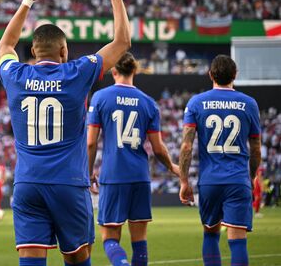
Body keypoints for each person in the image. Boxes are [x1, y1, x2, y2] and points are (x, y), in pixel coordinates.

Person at [0, 0, 131, 266]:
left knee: (31, 259)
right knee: (78, 258)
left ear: (32, 52)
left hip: (28, 183)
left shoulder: (15, 76)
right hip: (68, 183)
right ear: (64, 51)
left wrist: (28, 0)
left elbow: (6, 44)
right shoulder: (76, 73)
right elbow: (122, 42)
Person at [86, 52, 180, 266]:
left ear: (114, 71)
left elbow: (91, 143)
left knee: (110, 238)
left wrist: (88, 171)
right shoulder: (148, 103)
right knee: (140, 242)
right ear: (134, 71)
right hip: (140, 175)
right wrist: (173, 167)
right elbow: (157, 148)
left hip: (113, 175)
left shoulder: (101, 97)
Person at [179, 55, 262, 266]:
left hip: (209, 181)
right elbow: (256, 148)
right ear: (235, 75)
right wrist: (251, 177)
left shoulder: (196, 103)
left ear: (210, 75)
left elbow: (187, 145)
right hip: (237, 179)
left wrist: (184, 181)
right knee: (238, 242)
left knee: (210, 235)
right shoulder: (249, 103)